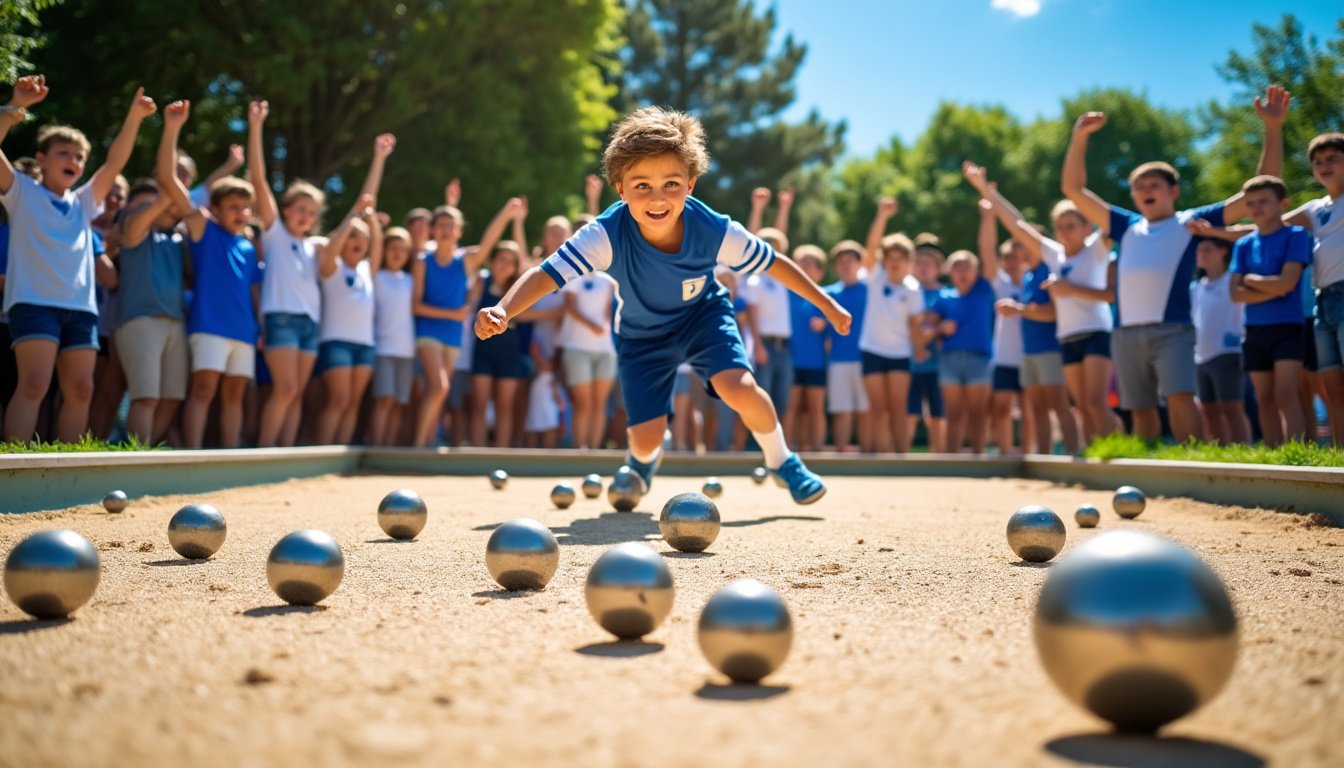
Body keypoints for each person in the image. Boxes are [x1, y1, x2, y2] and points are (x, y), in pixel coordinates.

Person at [476, 107, 849, 503]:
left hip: (704, 317)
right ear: (620, 189)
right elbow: (545, 274)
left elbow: (774, 263)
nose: (657, 198)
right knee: (646, 437)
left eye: (671, 183)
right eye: (642, 186)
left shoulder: (715, 229)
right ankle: (640, 463)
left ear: (691, 184)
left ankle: (783, 460)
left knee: (740, 388)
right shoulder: (604, 234)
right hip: (642, 336)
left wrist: (825, 302)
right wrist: (503, 309)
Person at [1059, 85, 1288, 442]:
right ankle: (1151, 473)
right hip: (1126, 332)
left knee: (1181, 396)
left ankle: (1193, 462)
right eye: (1139, 186)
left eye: (1154, 184)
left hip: (1173, 330)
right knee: (1140, 406)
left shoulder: (1192, 221)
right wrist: (1079, 138)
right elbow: (1074, 190)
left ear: (1173, 191)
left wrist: (1273, 128)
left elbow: (1261, 191)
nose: (1146, 190)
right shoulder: (1126, 225)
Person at [2, 76, 156, 443]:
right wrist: (13, 107)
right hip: (33, 304)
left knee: (81, 389)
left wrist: (135, 116)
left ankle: (68, 467)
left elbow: (115, 162)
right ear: (41, 159)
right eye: (64, 153)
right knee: (35, 384)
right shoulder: (21, 192)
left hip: (80, 309)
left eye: (79, 156)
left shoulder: (84, 202)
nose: (73, 160)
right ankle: (11, 465)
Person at [157, 99, 260, 449]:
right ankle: (192, 454)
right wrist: (172, 128)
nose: (241, 212)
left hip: (243, 331)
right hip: (208, 327)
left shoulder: (249, 246)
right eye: (233, 206)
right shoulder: (204, 230)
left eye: (245, 207)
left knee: (234, 395)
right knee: (202, 390)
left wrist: (258, 328)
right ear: (214, 209)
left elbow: (254, 293)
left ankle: (228, 456)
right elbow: (169, 181)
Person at [966, 164, 1082, 454]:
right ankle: (1042, 458)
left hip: (1049, 348)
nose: (1019, 248)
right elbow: (1001, 237)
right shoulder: (1030, 277)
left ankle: (1072, 457)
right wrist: (986, 202)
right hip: (1028, 353)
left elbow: (1052, 314)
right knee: (1038, 408)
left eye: (1024, 244)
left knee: (1056, 404)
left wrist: (1020, 310)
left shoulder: (1050, 267)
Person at [411, 195, 519, 446]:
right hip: (428, 331)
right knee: (439, 387)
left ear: (459, 231)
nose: (446, 230)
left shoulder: (466, 260)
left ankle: (427, 443)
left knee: (439, 391)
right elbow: (416, 305)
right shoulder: (422, 262)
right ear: (433, 230)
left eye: (452, 226)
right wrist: (452, 314)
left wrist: (506, 212)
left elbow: (489, 241)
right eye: (441, 225)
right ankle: (417, 446)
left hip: (452, 335)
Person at [1229, 175, 1313, 446]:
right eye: (1250, 203)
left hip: (1288, 327)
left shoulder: (1296, 235)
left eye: (1263, 201)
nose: (1256, 208)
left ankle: (1298, 453)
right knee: (1263, 398)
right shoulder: (1243, 244)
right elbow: (1234, 293)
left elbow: (1287, 284)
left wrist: (1251, 280)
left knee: (1286, 394)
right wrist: (1272, 287)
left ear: (1283, 204)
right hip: (1254, 330)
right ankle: (1276, 452)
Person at [113, 179, 190, 444]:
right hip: (139, 321)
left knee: (172, 398)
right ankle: (135, 461)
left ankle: (144, 454)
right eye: (145, 204)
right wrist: (165, 197)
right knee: (145, 397)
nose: (155, 208)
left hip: (176, 324)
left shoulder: (177, 240)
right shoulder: (132, 233)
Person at [1285, 131, 1344, 445]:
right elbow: (1266, 223)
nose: (1324, 165)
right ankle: (1339, 455)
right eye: (1318, 161)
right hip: (1323, 303)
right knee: (1333, 386)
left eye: (1333, 158)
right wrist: (1213, 231)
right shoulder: (1314, 209)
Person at [860, 199, 925, 453]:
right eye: (890, 257)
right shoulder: (876, 278)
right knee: (878, 410)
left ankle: (901, 457)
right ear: (884, 260)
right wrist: (882, 216)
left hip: (899, 353)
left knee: (898, 408)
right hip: (872, 350)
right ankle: (881, 460)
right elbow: (871, 246)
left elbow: (914, 322)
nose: (895, 262)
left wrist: (919, 346)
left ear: (909, 260)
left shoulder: (913, 288)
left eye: (900, 257)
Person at [927, 241, 998, 454]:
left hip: (979, 358)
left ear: (977, 271)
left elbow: (988, 254)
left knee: (978, 412)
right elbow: (927, 324)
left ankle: (978, 455)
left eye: (967, 267)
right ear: (950, 272)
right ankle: (953, 459)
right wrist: (940, 327)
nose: (962, 272)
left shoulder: (984, 289)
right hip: (949, 359)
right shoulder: (943, 297)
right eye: (957, 267)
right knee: (953, 412)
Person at [1187, 235, 1249, 444]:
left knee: (1232, 406)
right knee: (1208, 410)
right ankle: (1219, 454)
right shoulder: (1196, 287)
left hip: (1228, 353)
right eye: (1199, 250)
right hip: (1201, 356)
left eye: (1207, 249)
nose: (1201, 254)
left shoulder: (1233, 280)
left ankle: (1242, 452)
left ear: (1223, 251)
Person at [557, 266, 618, 450]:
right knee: (583, 403)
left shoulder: (609, 281)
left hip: (606, 350)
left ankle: (594, 451)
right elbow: (569, 307)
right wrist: (592, 325)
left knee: (600, 403)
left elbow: (610, 311)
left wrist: (603, 326)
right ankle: (579, 450)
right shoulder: (573, 277)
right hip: (577, 348)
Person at [369, 225, 416, 446]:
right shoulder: (376, 277)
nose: (397, 254)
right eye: (392, 248)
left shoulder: (411, 281)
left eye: (402, 249)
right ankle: (377, 446)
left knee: (398, 402)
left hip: (406, 350)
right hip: (383, 348)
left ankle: (388, 448)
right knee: (384, 399)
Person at [824, 241, 869, 452]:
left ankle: (869, 458)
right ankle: (841, 454)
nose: (845, 265)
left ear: (860, 263)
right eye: (840, 261)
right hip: (838, 359)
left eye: (850, 260)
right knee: (841, 410)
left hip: (867, 359)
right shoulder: (826, 294)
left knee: (865, 411)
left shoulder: (870, 290)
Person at [783, 245, 828, 452]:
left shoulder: (826, 298)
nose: (804, 266)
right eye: (800, 261)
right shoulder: (783, 294)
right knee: (790, 409)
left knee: (815, 409)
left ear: (820, 272)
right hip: (789, 361)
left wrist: (825, 325)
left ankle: (817, 452)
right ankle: (786, 452)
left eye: (810, 263)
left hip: (815, 362)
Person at [907, 238, 947, 451]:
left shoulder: (947, 294)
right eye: (918, 262)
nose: (922, 267)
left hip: (938, 366)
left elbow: (946, 323)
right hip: (909, 364)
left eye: (928, 263)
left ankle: (939, 460)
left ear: (939, 268)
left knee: (938, 415)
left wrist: (935, 329)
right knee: (909, 413)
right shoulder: (905, 291)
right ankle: (901, 461)